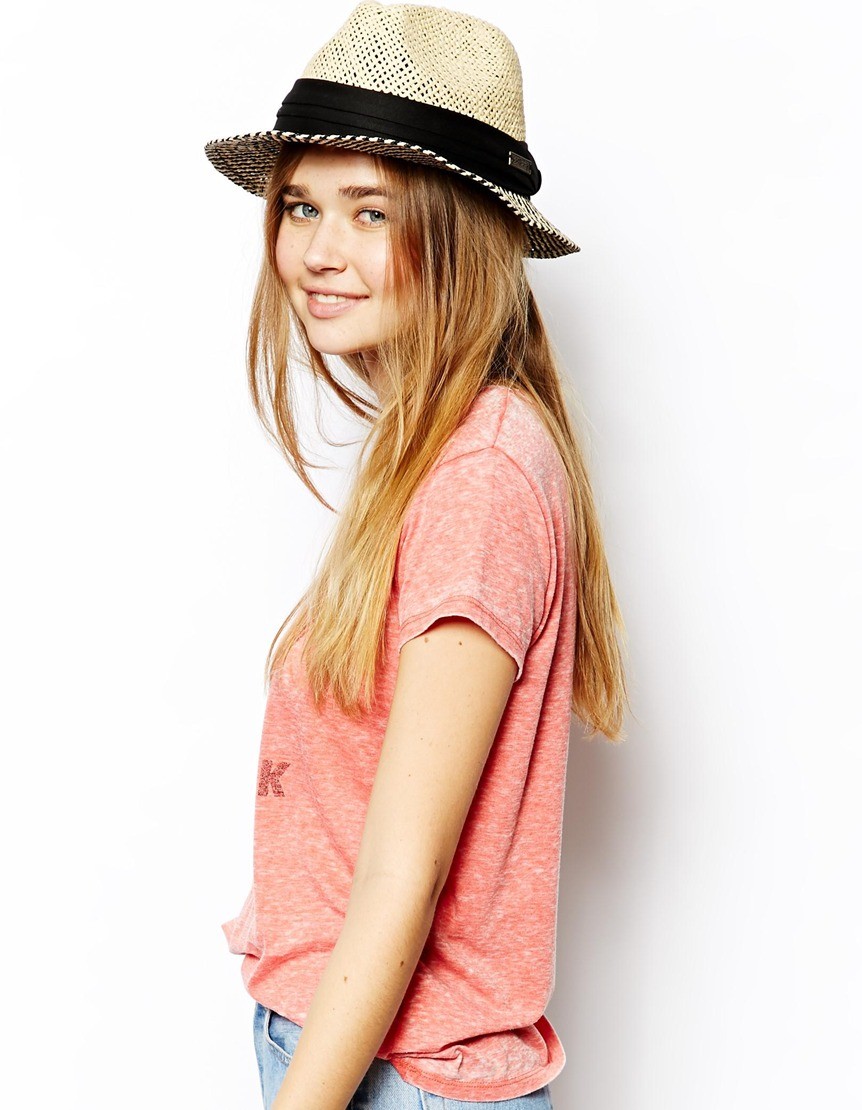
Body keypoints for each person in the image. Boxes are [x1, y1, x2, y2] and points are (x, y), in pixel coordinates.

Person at [204, 3, 629, 1108]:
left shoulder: (479, 474)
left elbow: (405, 880)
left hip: (398, 1076)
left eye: (370, 211)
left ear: (457, 234)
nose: (317, 250)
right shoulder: (439, 452)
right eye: (302, 205)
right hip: (359, 1054)